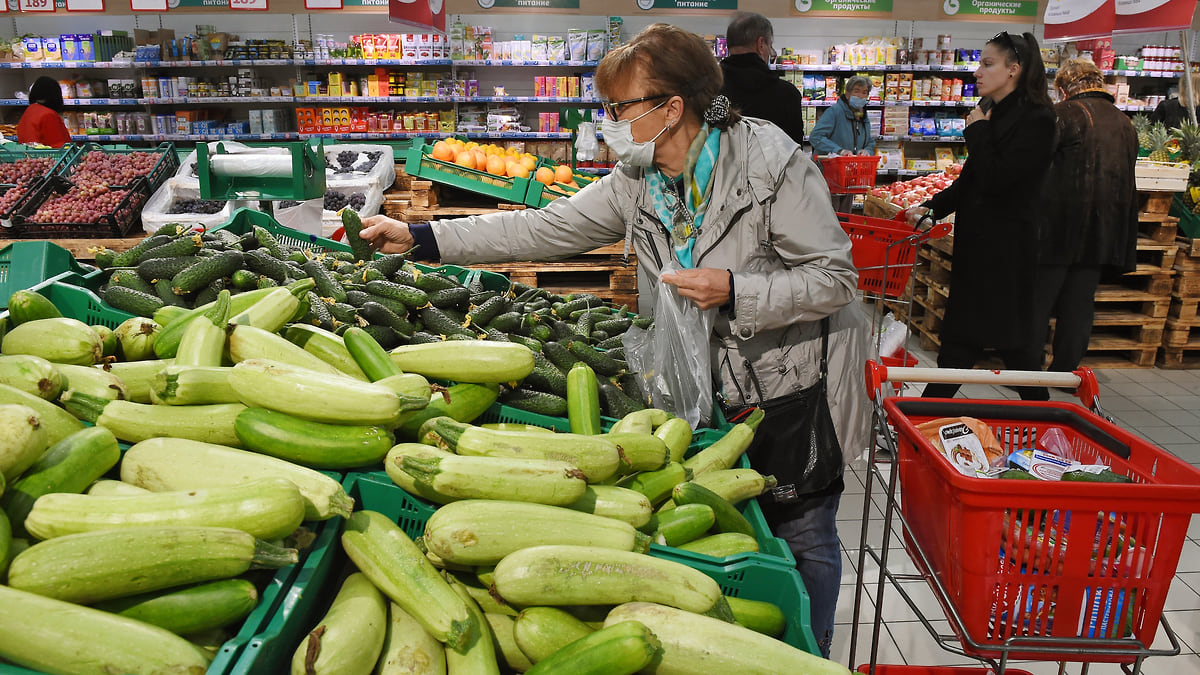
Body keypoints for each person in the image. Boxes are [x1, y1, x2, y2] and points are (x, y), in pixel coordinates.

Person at [359, 23, 871, 659]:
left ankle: (812, 651)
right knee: (731, 521)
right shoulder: (641, 175)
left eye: (619, 108)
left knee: (807, 534)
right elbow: (545, 229)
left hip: (792, 384)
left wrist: (737, 289)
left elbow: (836, 279)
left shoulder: (774, 169)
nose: (610, 122)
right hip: (703, 385)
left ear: (670, 107)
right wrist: (427, 240)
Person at [905, 31, 1055, 401]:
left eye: (988, 64)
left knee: (1009, 347)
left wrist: (978, 132)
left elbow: (998, 179)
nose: (977, 71)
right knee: (968, 343)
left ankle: (1048, 429)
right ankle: (924, 416)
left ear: (1014, 70)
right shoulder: (994, 113)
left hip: (1007, 251)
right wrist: (932, 207)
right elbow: (972, 181)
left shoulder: (1037, 119)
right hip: (980, 248)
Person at [1034, 58, 1138, 375]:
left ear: (1064, 89)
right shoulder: (1124, 123)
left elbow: (1036, 166)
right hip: (1103, 233)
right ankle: (1065, 371)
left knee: (1038, 302)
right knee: (1079, 304)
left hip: (1057, 229)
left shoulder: (1061, 115)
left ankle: (1028, 370)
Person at [718, 11, 806, 144]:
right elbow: (794, 150)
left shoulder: (708, 89)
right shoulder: (787, 95)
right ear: (760, 44)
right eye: (770, 46)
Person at [809, 76, 876, 212]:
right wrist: (839, 151)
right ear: (847, 93)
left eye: (864, 92)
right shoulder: (835, 112)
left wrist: (867, 151)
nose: (861, 96)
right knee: (829, 217)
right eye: (857, 91)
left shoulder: (862, 116)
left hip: (850, 176)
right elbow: (815, 137)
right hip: (829, 176)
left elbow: (870, 141)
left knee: (845, 217)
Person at [17, 76, 70, 148]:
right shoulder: (48, 115)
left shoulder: (29, 110)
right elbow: (58, 145)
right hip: (49, 157)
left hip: (29, 156)